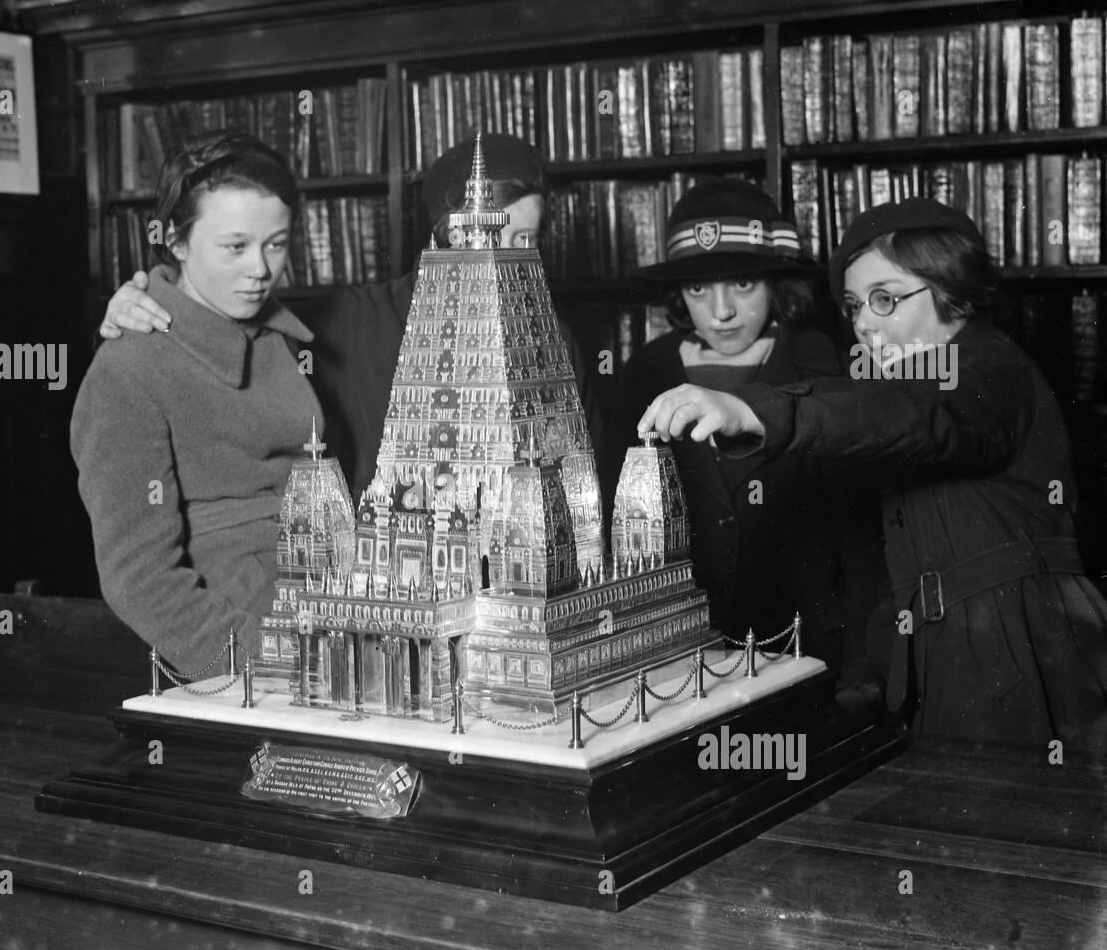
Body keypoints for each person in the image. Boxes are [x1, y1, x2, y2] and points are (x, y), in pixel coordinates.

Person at [639, 197, 1107, 759]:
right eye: (856, 304)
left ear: (950, 286)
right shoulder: (918, 381)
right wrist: (869, 680)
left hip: (1022, 652)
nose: (864, 322)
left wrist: (753, 411)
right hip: (957, 653)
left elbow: (912, 412)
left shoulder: (989, 365)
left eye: (886, 299)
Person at [97, 133, 606, 501]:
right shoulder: (349, 319)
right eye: (499, 237)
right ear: (451, 235)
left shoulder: (553, 339)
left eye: (528, 240)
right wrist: (145, 299)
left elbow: (586, 479)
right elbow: (232, 317)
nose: (516, 257)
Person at [604, 177, 885, 710]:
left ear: (777, 284)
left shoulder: (823, 362)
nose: (721, 312)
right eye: (698, 290)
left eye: (743, 285)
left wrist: (863, 666)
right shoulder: (646, 371)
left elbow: (862, 536)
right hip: (677, 662)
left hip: (807, 650)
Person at [70, 133, 320, 673]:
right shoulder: (127, 370)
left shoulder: (279, 336)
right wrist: (280, 664)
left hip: (325, 601)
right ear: (177, 243)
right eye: (235, 246)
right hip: (247, 645)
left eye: (276, 244)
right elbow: (139, 582)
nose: (260, 268)